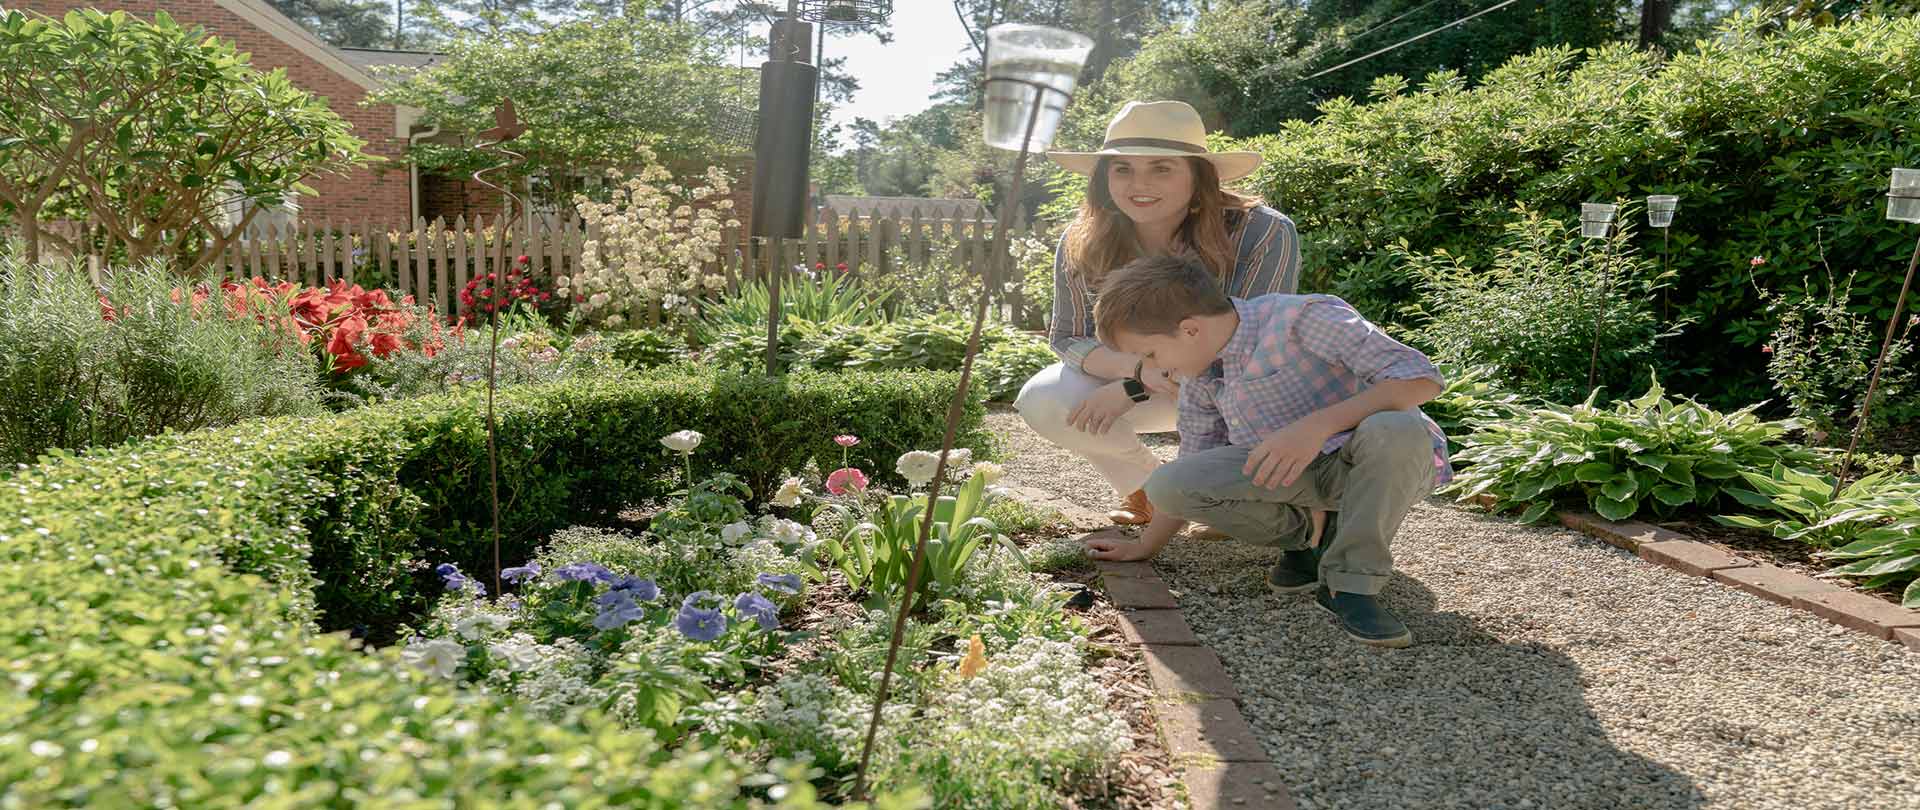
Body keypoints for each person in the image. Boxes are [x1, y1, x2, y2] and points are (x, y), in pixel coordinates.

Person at [1084, 254, 1452, 648]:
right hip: (1301, 480)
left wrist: (1317, 425)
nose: (1153, 368)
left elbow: (1421, 379)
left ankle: (1351, 584)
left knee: (1396, 426)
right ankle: (1308, 539)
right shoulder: (1200, 377)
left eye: (1150, 355)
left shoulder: (1302, 319)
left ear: (1190, 329)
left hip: (1375, 465)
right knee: (1168, 485)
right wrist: (1144, 547)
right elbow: (1191, 467)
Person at [1015, 100, 1302, 527]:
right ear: (1104, 177)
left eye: (1161, 168)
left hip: (1244, 386)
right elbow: (1067, 336)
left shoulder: (1263, 231)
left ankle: (1230, 499)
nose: (1139, 184)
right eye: (1123, 168)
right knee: (1045, 399)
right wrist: (1136, 371)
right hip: (1154, 383)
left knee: (1251, 399)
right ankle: (1150, 490)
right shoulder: (1082, 239)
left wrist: (1132, 388)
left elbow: (1256, 341)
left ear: (1198, 175)